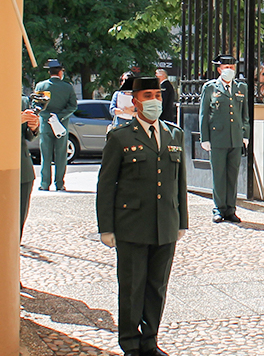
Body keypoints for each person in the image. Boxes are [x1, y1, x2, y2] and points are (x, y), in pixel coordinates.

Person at [96, 76, 187, 356]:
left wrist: (181, 221)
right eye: (148, 96)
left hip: (165, 224)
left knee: (156, 286)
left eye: (158, 96)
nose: (155, 101)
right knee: (133, 287)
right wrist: (106, 228)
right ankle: (130, 343)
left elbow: (179, 183)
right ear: (135, 102)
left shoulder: (174, 135)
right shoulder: (121, 137)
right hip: (131, 226)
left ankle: (150, 340)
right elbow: (106, 184)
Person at [198, 54, 250, 223]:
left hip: (235, 137)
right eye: (226, 67)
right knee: (219, 174)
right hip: (217, 138)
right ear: (219, 69)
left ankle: (231, 209)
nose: (229, 70)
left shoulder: (241, 87)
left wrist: (245, 135)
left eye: (232, 67)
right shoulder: (210, 87)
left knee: (232, 175)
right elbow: (204, 114)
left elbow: (245, 115)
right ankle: (218, 208)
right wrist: (204, 137)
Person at [35, 58, 78, 191]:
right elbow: (73, 106)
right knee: (60, 156)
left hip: (45, 124)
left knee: (45, 155)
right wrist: (59, 116)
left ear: (50, 72)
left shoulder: (40, 86)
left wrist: (47, 116)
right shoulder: (67, 87)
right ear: (60, 72)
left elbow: (36, 105)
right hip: (61, 125)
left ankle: (44, 183)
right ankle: (59, 184)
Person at [20, 95, 40, 238]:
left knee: (20, 215)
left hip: (23, 167)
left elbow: (28, 136)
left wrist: (33, 127)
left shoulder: (23, 101)